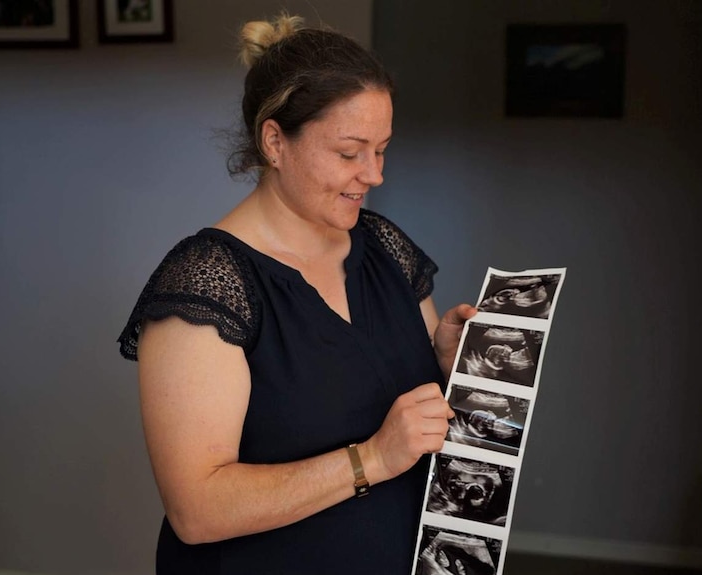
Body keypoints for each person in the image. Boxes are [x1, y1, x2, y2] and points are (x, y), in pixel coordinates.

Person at [117, 13, 476, 575]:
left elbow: (407, 409)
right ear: (275, 141)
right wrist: (374, 459)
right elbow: (196, 510)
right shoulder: (208, 283)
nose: (374, 174)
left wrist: (446, 363)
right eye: (349, 152)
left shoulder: (383, 247)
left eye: (382, 149)